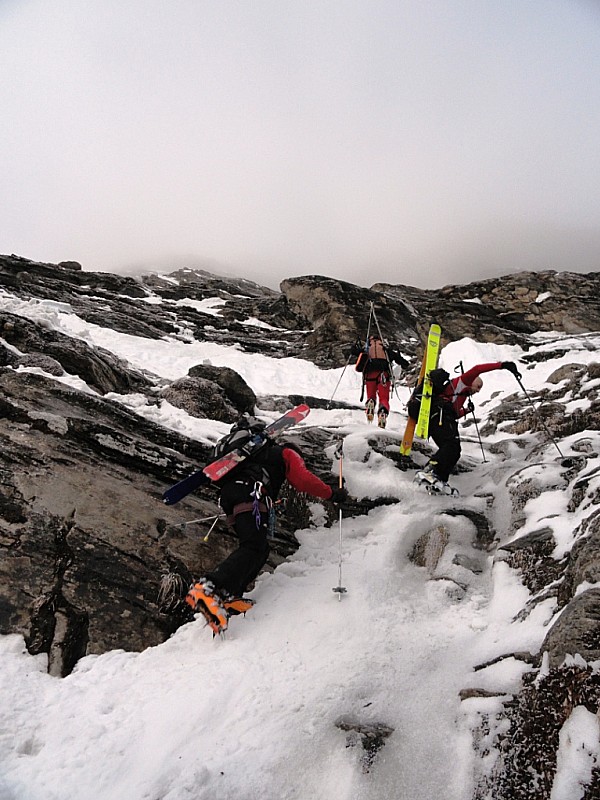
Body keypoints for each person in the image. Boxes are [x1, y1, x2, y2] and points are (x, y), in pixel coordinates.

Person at [184, 418, 350, 634]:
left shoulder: (244, 456)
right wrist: (332, 493)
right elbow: (302, 479)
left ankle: (229, 596)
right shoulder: (284, 452)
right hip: (252, 495)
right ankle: (208, 587)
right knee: (253, 546)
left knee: (259, 549)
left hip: (231, 499)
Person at [415, 360, 521, 493]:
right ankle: (431, 470)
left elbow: (454, 413)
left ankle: (439, 480)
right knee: (451, 446)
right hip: (440, 417)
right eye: (478, 386)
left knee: (455, 451)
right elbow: (478, 368)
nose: (478, 391)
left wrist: (466, 411)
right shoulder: (463, 381)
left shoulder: (461, 394)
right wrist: (503, 365)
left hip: (443, 419)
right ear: (471, 381)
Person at [351, 334, 410, 428]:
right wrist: (405, 364)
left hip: (370, 375)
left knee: (371, 396)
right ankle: (382, 412)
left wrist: (354, 347)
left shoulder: (367, 348)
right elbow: (401, 361)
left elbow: (354, 352)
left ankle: (371, 402)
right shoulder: (385, 349)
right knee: (384, 398)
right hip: (383, 375)